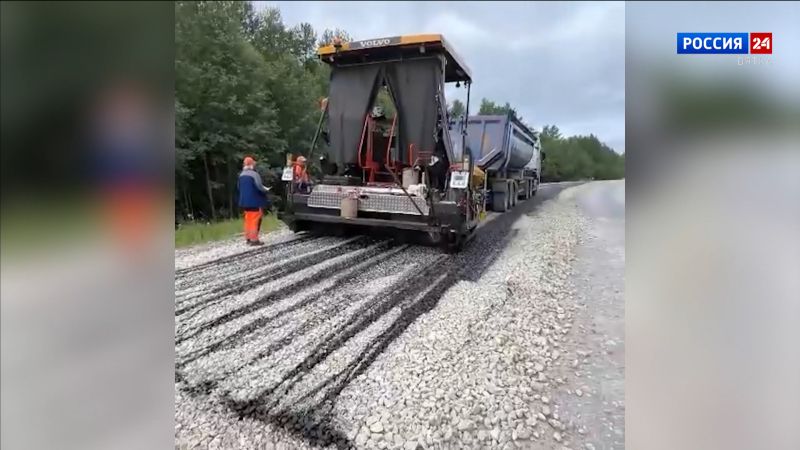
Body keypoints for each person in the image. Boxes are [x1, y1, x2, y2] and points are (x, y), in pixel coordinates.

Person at [238, 156, 270, 245]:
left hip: (244, 202)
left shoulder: (241, 175)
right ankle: (254, 239)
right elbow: (259, 187)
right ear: (252, 165)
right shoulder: (254, 174)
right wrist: (266, 190)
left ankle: (248, 238)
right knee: (255, 219)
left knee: (248, 219)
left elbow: (238, 187)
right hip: (254, 201)